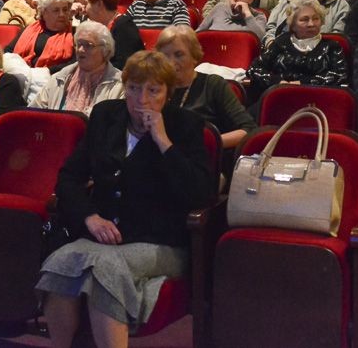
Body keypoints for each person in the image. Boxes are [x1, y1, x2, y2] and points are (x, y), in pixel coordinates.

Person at [37, 50, 213, 347]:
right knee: (60, 261)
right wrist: (89, 217)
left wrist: (163, 141)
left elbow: (199, 193)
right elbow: (69, 178)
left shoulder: (185, 126)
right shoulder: (107, 116)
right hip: (102, 236)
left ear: (167, 93)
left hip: (161, 241)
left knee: (104, 270)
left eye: (153, 90)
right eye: (133, 88)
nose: (141, 99)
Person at [156, 25, 255, 150]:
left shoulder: (213, 85)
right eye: (165, 56)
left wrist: (208, 143)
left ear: (194, 56)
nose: (171, 62)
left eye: (179, 54)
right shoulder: (154, 87)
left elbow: (248, 130)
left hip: (203, 160)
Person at [247, 0, 349, 98]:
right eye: (304, 19)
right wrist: (279, 82)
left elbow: (340, 75)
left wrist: (302, 83)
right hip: (280, 97)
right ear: (293, 24)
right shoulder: (281, 42)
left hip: (318, 99)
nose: (311, 24)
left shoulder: (332, 46)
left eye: (316, 18)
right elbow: (254, 69)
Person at [34, 21, 123, 117]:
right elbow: (34, 113)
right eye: (78, 44)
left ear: (105, 50)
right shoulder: (59, 79)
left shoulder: (120, 85)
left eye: (88, 45)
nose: (80, 50)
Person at [7, 0, 76, 72]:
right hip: (22, 75)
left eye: (65, 10)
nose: (61, 14)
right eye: (56, 10)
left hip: (55, 79)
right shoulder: (29, 29)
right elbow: (7, 52)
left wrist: (42, 72)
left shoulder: (75, 34)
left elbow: (74, 64)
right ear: (44, 12)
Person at [84, 0, 143, 70]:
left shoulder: (124, 26)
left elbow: (124, 65)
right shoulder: (100, 27)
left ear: (99, 4)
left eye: (87, 3)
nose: (85, 8)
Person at [196, 0, 268, 41]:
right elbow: (198, 34)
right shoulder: (219, 8)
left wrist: (247, 15)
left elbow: (259, 40)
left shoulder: (259, 17)